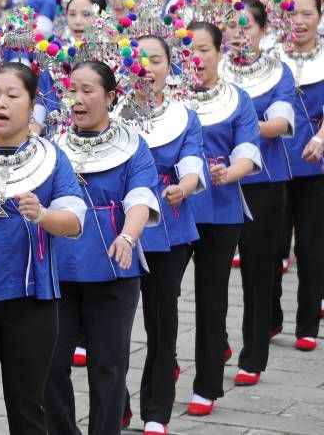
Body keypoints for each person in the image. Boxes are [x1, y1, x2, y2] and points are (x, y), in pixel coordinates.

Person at [0, 62, 86, 435]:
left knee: (27, 408)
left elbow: (74, 221)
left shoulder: (51, 157)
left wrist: (42, 214)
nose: (0, 102)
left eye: (12, 95)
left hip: (32, 301)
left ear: (32, 105)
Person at [46, 59, 160, 435]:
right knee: (49, 366)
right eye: (71, 90)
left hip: (114, 270)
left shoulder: (133, 146)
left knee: (108, 368)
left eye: (87, 90)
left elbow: (140, 196)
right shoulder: (52, 147)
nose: (77, 99)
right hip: (59, 271)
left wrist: (128, 236)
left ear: (110, 97)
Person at [115, 36, 206, 435]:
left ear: (170, 66)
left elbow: (192, 162)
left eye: (156, 59)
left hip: (169, 225)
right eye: (139, 60)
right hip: (117, 227)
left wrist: (183, 188)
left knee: (162, 322)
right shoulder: (111, 112)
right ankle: (115, 404)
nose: (147, 68)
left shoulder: (184, 116)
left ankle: (157, 410)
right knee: (111, 327)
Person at [183, 21, 261, 416]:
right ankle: (164, 366)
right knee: (160, 297)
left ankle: (207, 385)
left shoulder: (237, 98)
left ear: (219, 53)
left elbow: (247, 150)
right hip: (176, 207)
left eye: (204, 50)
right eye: (189, 51)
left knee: (212, 297)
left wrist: (229, 173)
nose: (196, 58)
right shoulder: (169, 99)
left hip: (220, 206)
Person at [219, 0, 295, 388]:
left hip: (263, 181)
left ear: (264, 30)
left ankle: (253, 354)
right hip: (217, 182)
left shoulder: (278, 72)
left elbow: (279, 123)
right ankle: (215, 342)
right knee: (211, 272)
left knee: (258, 269)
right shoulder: (212, 68)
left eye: (246, 25)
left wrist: (239, 125)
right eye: (232, 25)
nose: (238, 33)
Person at [277, 0, 324, 352]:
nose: (299, 21)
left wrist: (321, 138)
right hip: (275, 166)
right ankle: (269, 317)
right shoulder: (270, 57)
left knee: (310, 248)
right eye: (293, 13)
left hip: (315, 166)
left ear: (319, 17)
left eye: (307, 13)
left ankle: (308, 324)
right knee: (270, 249)